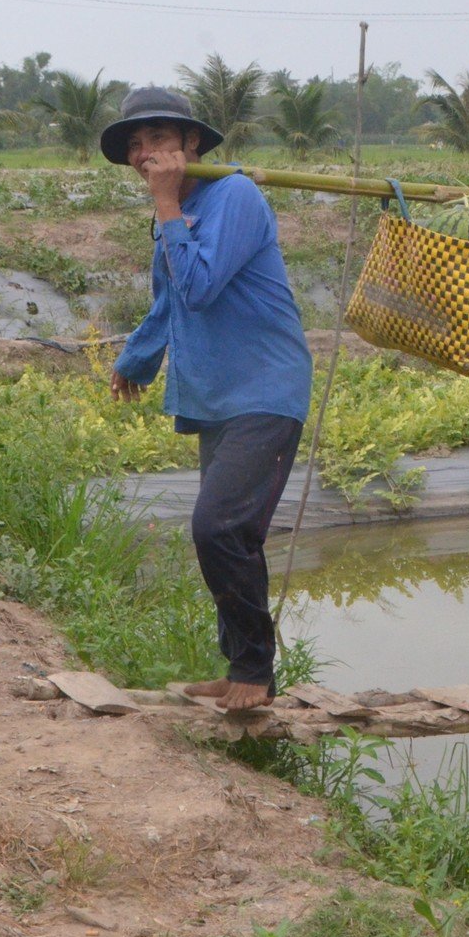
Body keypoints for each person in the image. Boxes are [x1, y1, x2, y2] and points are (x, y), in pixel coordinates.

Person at [104, 87, 313, 711]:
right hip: (215, 397)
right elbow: (168, 301)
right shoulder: (176, 211)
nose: (146, 154)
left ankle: (255, 669)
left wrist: (166, 204)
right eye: (136, 144)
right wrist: (135, 360)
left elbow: (196, 286)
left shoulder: (235, 197)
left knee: (217, 525)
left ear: (191, 143)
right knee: (231, 534)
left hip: (266, 390)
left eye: (159, 140)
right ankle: (243, 667)